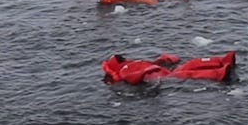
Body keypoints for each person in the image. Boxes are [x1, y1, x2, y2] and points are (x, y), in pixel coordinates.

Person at [101, 51, 236, 85]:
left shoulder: (131, 62)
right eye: (120, 58)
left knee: (191, 63)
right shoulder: (124, 70)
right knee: (188, 73)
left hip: (163, 72)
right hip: (161, 77)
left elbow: (151, 64)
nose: (123, 57)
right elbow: (131, 78)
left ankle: (222, 60)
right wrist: (145, 72)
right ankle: (219, 73)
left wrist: (162, 60)